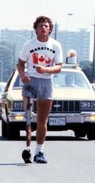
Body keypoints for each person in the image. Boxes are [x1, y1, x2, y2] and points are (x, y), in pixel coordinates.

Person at [18, 16, 63, 164]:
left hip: (46, 82)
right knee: (29, 119)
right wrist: (23, 75)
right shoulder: (29, 45)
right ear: (36, 29)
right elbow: (20, 64)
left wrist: (45, 69)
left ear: (50, 29)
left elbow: (59, 67)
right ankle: (28, 149)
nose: (43, 28)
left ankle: (39, 152)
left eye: (46, 26)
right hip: (31, 82)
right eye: (40, 26)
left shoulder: (55, 45)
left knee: (42, 120)